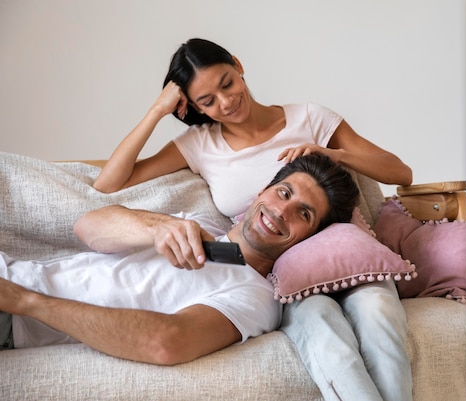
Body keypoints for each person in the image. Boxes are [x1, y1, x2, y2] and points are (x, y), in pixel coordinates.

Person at [92, 38, 413, 401]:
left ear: (238, 65)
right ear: (192, 106)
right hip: (282, 274)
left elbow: (400, 172)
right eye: (207, 100)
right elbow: (108, 183)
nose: (226, 102)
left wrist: (332, 153)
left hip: (349, 255)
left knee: (379, 309)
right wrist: (156, 111)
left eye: (227, 83)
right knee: (323, 326)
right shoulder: (200, 145)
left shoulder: (309, 118)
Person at [0, 154, 360, 366]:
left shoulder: (257, 298)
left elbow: (166, 341)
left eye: (304, 214)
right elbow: (88, 227)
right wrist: (157, 227)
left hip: (13, 315)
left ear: (312, 239)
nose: (281, 211)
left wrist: (27, 302)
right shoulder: (198, 223)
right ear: (262, 191)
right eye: (283, 193)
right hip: (11, 272)